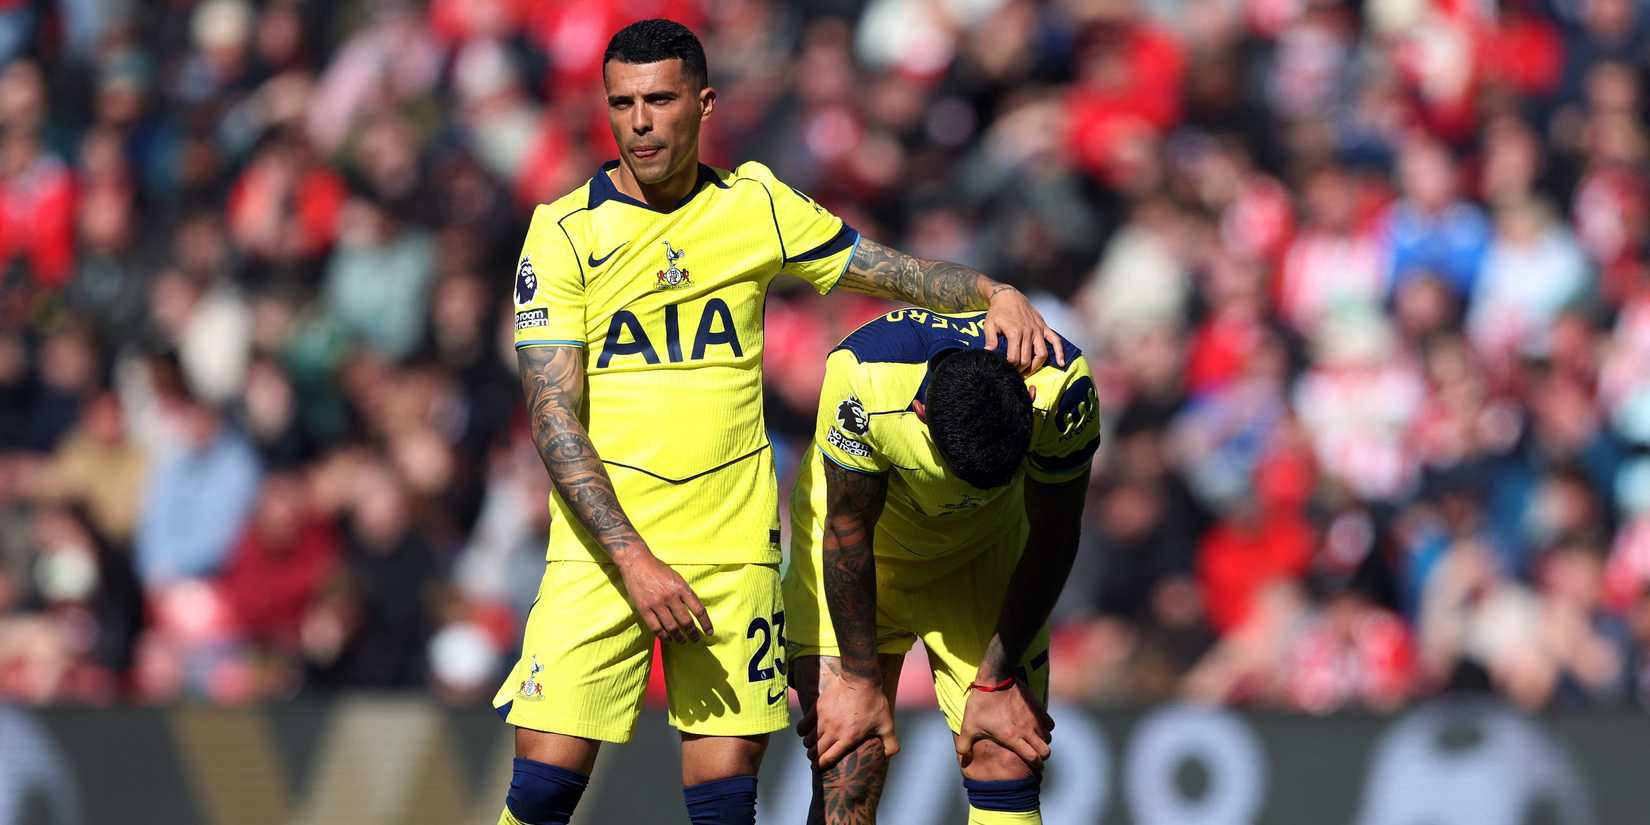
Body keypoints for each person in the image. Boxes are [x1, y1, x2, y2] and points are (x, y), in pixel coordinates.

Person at [491, 19, 1063, 825]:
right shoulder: (562, 231)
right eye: (622, 103)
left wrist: (991, 293)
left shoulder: (755, 204)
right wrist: (633, 559)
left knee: (724, 800)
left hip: (731, 549)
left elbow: (886, 268)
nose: (641, 121)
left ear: (705, 102)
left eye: (660, 99)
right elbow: (553, 415)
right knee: (543, 788)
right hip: (602, 552)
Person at [785, 310, 1099, 825]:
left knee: (1003, 752)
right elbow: (848, 530)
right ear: (921, 413)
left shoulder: (1063, 388)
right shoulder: (865, 374)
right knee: (850, 760)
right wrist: (861, 683)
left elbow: (1055, 533)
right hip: (865, 550)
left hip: (982, 555)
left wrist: (996, 680)